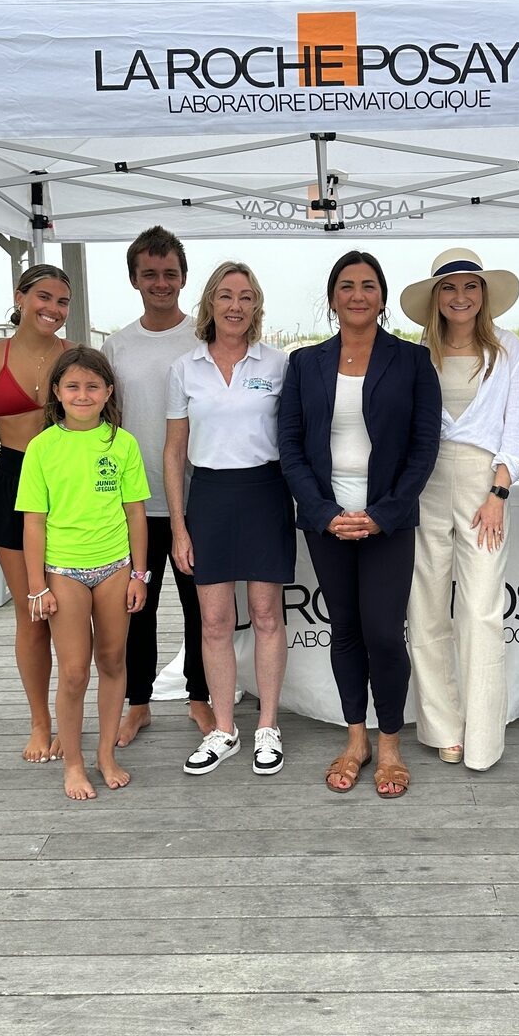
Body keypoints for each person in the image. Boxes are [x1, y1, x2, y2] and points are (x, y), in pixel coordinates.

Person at [278, 250, 441, 798]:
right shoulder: (305, 364)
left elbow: (424, 448)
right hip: (327, 522)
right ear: (332, 298)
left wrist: (383, 514)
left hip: (387, 522)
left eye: (368, 285)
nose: (357, 294)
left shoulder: (412, 362)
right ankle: (356, 739)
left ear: (382, 296)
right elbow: (291, 449)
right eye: (346, 285)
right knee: (344, 631)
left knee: (382, 635)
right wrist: (324, 514)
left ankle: (390, 741)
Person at [400, 248, 519, 770]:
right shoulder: (419, 353)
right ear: (436, 298)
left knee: (479, 609)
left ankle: (482, 735)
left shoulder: (510, 351)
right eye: (450, 288)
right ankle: (441, 727)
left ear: (484, 294)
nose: (461, 297)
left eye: (470, 287)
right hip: (425, 482)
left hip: (485, 485)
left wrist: (499, 494)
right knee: (425, 606)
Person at [164, 262, 294, 777]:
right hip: (210, 498)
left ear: (256, 306)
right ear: (210, 304)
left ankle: (267, 725)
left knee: (265, 616)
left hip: (266, 493)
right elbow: (175, 452)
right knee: (214, 622)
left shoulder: (279, 365)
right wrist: (179, 526)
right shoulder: (184, 368)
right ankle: (224, 729)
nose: (235, 305)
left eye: (245, 296)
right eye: (225, 296)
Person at [16, 347, 149, 801]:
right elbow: (33, 521)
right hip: (63, 571)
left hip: (115, 568)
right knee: (73, 672)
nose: (83, 394)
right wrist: (37, 587)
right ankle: (72, 763)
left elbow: (135, 514)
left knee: (113, 661)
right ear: (57, 391)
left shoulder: (122, 443)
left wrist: (140, 574)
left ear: (108, 391)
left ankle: (105, 754)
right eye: (72, 386)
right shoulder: (42, 447)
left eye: (93, 386)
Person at [101, 227, 211, 749]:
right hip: (135, 506)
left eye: (170, 274)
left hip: (196, 503)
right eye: (150, 274)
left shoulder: (204, 338)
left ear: (184, 278)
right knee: (136, 609)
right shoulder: (116, 346)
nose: (161, 283)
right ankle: (138, 703)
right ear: (134, 279)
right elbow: (105, 422)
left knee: (201, 607)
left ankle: (200, 697)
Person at [0, 263, 73, 762]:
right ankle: (39, 721)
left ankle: (72, 717)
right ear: (21, 297)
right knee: (32, 614)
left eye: (63, 302)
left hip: (68, 486)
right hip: (11, 480)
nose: (53, 309)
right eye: (44, 297)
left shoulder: (76, 357)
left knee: (70, 613)